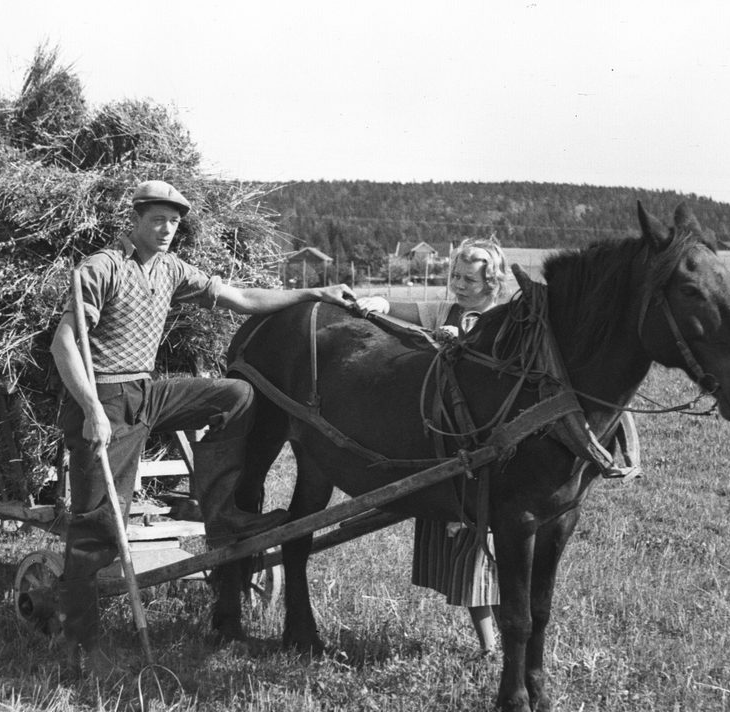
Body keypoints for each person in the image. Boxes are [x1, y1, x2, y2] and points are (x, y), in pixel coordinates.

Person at [50, 180, 355, 678]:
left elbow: (238, 297)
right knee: (98, 528)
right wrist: (91, 409)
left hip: (145, 392)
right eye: (157, 220)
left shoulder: (171, 270)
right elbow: (64, 345)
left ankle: (223, 515)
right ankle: (80, 651)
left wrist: (312, 292)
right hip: (105, 398)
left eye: (173, 221)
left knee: (236, 394)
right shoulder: (101, 268)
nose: (167, 229)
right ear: (135, 219)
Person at [356, 237, 515, 654]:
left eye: (469, 280)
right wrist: (379, 302)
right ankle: (489, 647)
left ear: (491, 281)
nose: (459, 286)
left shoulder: (504, 319)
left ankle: (505, 641)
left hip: (488, 444)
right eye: (456, 277)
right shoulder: (448, 312)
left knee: (491, 554)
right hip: (445, 439)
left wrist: (462, 341)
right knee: (467, 556)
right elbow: (402, 310)